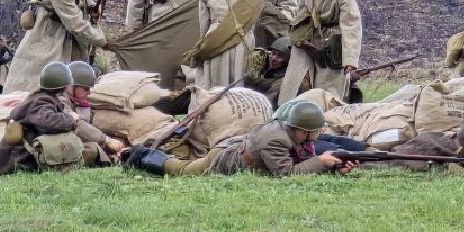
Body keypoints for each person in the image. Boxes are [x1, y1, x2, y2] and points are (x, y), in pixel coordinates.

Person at [123, 100, 350, 177]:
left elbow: (301, 160)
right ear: (305, 130)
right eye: (318, 130)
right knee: (182, 171)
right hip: (225, 159)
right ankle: (139, 156)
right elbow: (287, 174)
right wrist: (321, 162)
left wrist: (331, 165)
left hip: (234, 148)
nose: (320, 134)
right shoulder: (277, 140)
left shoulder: (292, 134)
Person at [0, 61, 125, 174]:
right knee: (91, 149)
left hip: (24, 159)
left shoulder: (42, 99)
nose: (88, 93)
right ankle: (116, 162)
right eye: (85, 89)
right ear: (68, 86)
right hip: (18, 163)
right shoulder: (41, 101)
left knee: (86, 147)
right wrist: (70, 118)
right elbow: (49, 122)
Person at [279, 0, 363, 104]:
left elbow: (351, 24)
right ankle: (288, 110)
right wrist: (298, 31)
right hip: (308, 36)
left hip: (331, 41)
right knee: (295, 81)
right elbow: (302, 7)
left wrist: (350, 60)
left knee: (328, 89)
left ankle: (328, 118)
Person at [191, 0, 255, 88]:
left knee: (213, 86)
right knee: (238, 86)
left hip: (216, 37)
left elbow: (203, 22)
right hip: (242, 38)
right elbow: (252, 24)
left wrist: (206, 42)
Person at [242, 36, 292, 106]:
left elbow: (267, 103)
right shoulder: (264, 68)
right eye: (273, 53)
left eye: (280, 56)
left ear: (288, 61)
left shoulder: (281, 81)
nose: (274, 58)